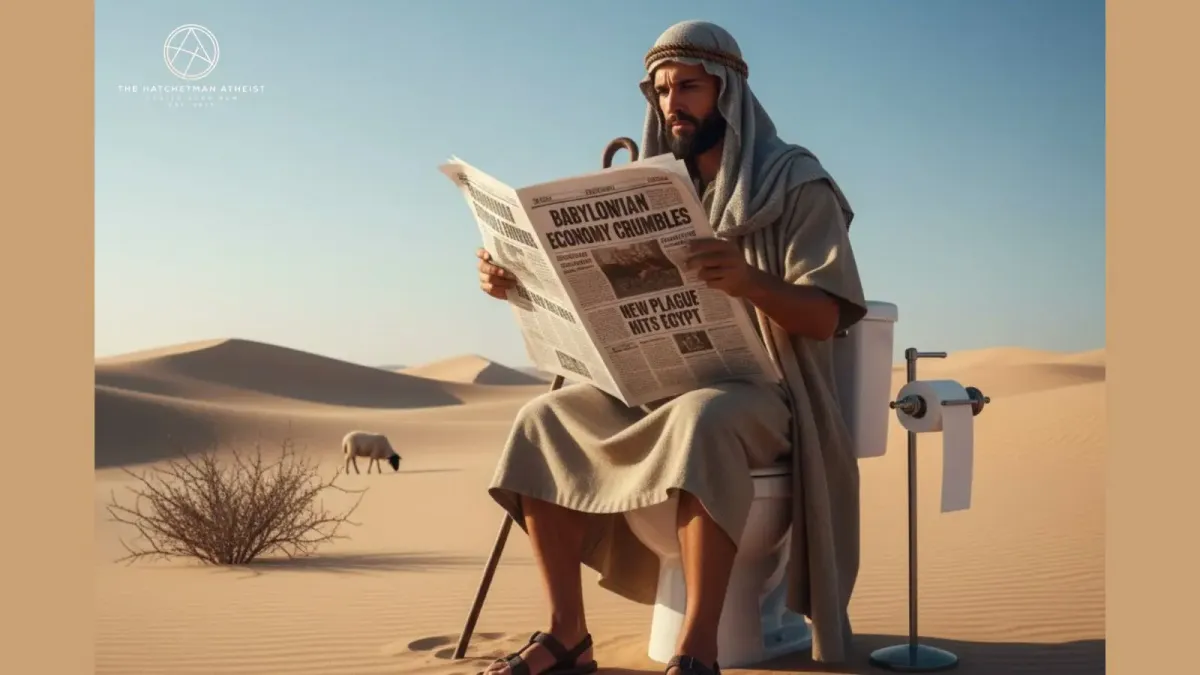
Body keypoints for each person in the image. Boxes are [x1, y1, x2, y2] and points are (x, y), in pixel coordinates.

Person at [476, 20, 868, 675]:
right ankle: (568, 633)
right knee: (541, 421)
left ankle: (698, 647)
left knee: (700, 420)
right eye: (660, 91)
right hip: (652, 387)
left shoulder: (797, 184)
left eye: (687, 86)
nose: (670, 104)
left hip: (763, 396)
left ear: (729, 91)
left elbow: (827, 316)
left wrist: (748, 281)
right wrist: (516, 281)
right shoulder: (642, 188)